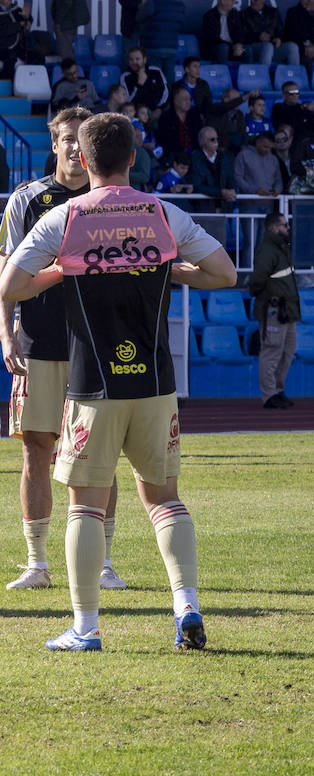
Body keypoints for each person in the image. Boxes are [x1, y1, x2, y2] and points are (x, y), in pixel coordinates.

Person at [0, 111, 237, 651]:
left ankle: (85, 628)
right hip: (156, 384)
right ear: (133, 157)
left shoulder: (67, 218)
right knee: (165, 501)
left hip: (93, 385)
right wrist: (172, 268)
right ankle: (186, 606)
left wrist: (64, 268)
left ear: (83, 160)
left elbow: (11, 284)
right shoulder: (161, 212)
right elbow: (225, 273)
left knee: (85, 504)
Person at [0, 106, 126, 593]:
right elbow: (6, 272)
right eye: (66, 139)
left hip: (97, 347)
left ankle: (105, 562)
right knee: (36, 450)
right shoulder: (27, 199)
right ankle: (36, 562)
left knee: (101, 456)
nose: (75, 147)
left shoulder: (111, 201)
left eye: (82, 139)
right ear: (53, 145)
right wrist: (7, 336)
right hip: (39, 344)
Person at [248, 213, 298, 409]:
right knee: (272, 352)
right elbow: (257, 280)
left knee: (287, 351)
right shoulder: (268, 250)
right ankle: (269, 395)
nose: (288, 229)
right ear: (274, 227)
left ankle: (277, 390)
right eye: (285, 225)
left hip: (287, 310)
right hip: (274, 310)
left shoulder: (280, 248)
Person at [189, 125, 236, 212]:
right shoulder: (195, 159)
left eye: (217, 139)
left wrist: (231, 189)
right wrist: (221, 192)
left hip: (224, 206)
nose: (216, 142)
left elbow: (230, 177)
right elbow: (197, 185)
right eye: (212, 139)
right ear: (203, 142)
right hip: (204, 207)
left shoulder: (223, 156)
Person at [241, 0, 299, 66]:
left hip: (274, 48)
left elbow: (281, 31)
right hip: (254, 49)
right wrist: (258, 36)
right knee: (268, 46)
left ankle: (295, 74)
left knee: (292, 46)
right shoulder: (243, 14)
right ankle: (263, 75)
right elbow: (241, 36)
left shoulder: (273, 12)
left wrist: (279, 39)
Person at [154, 86, 203, 157]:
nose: (188, 102)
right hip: (174, 155)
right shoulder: (166, 117)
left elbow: (200, 136)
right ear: (175, 101)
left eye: (189, 99)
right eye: (185, 99)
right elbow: (164, 141)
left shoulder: (195, 115)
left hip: (195, 153)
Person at [120, 46, 168, 112]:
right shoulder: (125, 77)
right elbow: (128, 102)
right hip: (135, 113)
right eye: (131, 59)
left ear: (144, 59)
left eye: (137, 59)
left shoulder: (156, 71)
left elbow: (165, 93)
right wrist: (138, 85)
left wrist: (160, 108)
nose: (134, 62)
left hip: (156, 111)